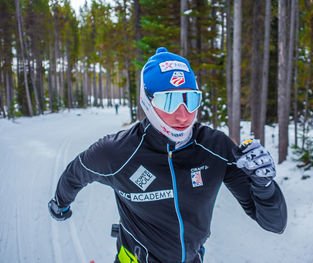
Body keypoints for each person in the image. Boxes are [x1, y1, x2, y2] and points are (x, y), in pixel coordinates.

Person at [48, 47, 287, 263]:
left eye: (190, 99)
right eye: (169, 101)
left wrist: (263, 185)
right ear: (148, 101)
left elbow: (274, 224)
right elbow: (76, 172)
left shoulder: (214, 148)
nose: (183, 115)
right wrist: (60, 204)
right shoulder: (117, 152)